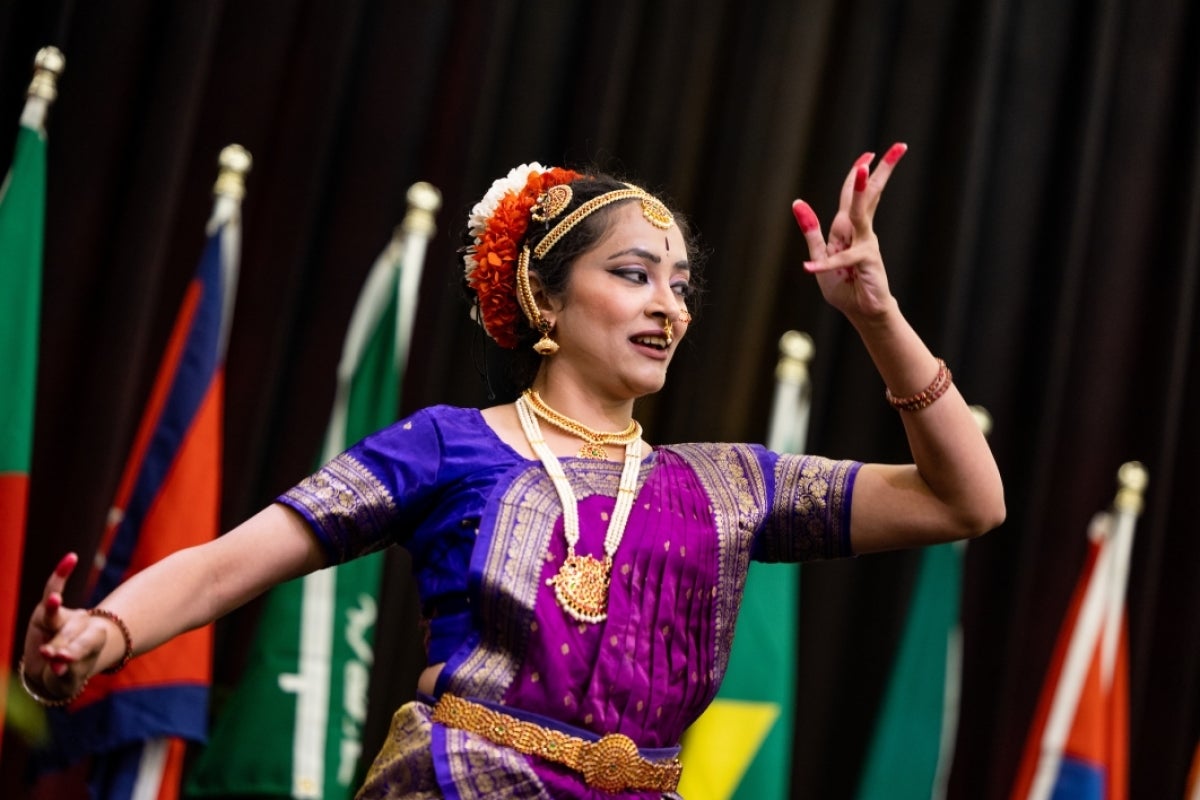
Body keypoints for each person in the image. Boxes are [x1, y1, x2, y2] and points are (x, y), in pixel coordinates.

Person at [19, 148, 1005, 799]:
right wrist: (103, 631)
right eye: (632, 273)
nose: (669, 305)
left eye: (681, 283)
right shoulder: (448, 445)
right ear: (544, 292)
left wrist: (876, 315)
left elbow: (969, 499)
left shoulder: (728, 483)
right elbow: (234, 561)